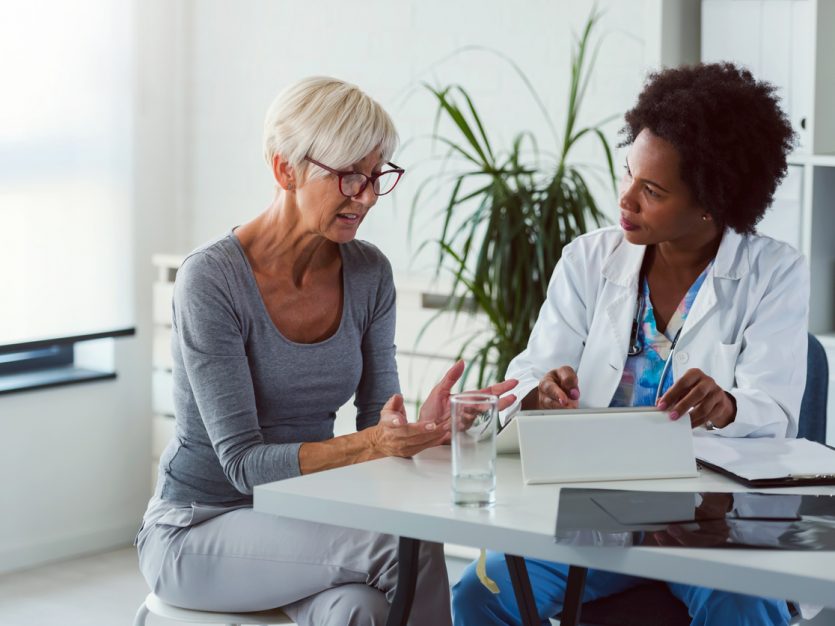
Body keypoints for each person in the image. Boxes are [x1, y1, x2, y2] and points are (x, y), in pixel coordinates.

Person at [135, 76, 516, 626]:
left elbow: (377, 425)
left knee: (357, 611)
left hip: (301, 521)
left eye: (375, 176)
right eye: (348, 176)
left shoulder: (368, 273)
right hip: (196, 529)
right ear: (285, 169)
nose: (365, 196)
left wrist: (421, 434)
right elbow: (243, 466)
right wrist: (374, 443)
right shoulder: (211, 280)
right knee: (402, 545)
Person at [452, 63, 807, 626]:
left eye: (652, 190)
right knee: (482, 594)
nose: (626, 200)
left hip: (710, 514)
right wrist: (539, 392)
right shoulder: (588, 261)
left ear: (711, 204)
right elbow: (526, 375)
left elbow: (777, 410)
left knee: (742, 603)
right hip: (595, 506)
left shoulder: (773, 273)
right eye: (628, 174)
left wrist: (727, 405)